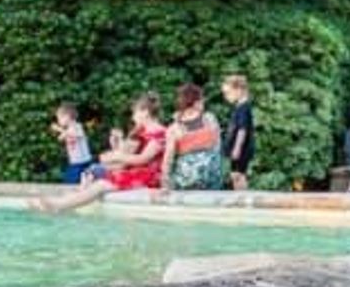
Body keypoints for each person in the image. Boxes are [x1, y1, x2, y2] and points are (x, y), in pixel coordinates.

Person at [29, 94, 167, 212]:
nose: (133, 116)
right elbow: (128, 155)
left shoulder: (159, 132)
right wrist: (116, 146)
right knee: (92, 175)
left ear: (146, 112)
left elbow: (143, 159)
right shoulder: (142, 131)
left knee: (101, 184)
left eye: (135, 112)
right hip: (138, 171)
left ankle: (59, 206)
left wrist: (117, 156)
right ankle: (61, 203)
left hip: (149, 175)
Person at [163, 83, 225, 191]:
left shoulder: (174, 128)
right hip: (212, 178)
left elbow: (168, 159)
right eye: (202, 99)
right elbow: (217, 147)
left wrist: (165, 182)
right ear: (196, 102)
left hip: (186, 181)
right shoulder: (210, 119)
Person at [220, 73, 255, 190]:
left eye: (228, 93)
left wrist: (237, 148)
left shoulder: (243, 108)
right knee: (235, 174)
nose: (226, 96)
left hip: (242, 148)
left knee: (238, 175)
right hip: (239, 148)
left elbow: (242, 129)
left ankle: (242, 198)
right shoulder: (239, 107)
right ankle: (239, 197)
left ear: (239, 90)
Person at [50, 102, 96, 184]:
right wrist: (61, 131)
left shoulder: (77, 126)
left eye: (59, 118)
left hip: (84, 161)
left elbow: (75, 134)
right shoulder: (68, 129)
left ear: (67, 117)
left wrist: (59, 129)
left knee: (77, 182)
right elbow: (60, 138)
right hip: (75, 161)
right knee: (70, 182)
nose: (58, 121)